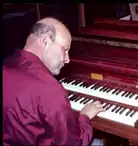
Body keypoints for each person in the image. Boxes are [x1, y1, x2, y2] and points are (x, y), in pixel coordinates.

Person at [3, 17, 105, 146]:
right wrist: (84, 116)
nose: (67, 59)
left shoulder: (7, 65)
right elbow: (75, 142)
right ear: (45, 41)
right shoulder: (49, 89)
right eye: (65, 49)